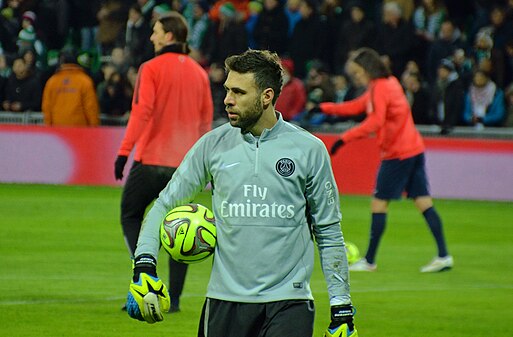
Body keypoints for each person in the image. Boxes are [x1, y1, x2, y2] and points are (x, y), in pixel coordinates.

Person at [125, 49, 359, 337]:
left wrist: (341, 306)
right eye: (226, 90)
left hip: (290, 303)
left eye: (238, 92)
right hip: (224, 302)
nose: (227, 100)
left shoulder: (309, 150)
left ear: (266, 96)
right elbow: (164, 205)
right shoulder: (213, 145)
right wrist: (144, 266)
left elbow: (328, 230)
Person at [313, 47, 453, 273]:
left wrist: (344, 138)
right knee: (423, 202)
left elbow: (375, 122)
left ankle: (369, 261)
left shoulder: (380, 88)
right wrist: (325, 107)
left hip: (397, 154)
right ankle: (444, 256)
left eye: (358, 73)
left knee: (379, 203)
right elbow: (357, 106)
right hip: (413, 148)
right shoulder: (389, 84)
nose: (357, 77)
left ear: (367, 68)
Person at [115, 12, 213, 313]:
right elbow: (205, 121)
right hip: (184, 166)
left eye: (155, 31)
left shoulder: (151, 68)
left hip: (152, 159)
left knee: (131, 215)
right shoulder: (199, 73)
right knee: (179, 228)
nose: (151, 37)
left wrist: (124, 152)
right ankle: (176, 300)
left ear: (169, 35)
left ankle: (147, 275)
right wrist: (204, 166)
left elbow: (142, 111)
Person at [41, 49, 99, 126]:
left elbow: (46, 108)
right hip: (80, 132)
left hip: (57, 131)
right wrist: (94, 129)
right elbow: (91, 108)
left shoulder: (52, 81)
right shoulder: (85, 81)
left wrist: (48, 128)